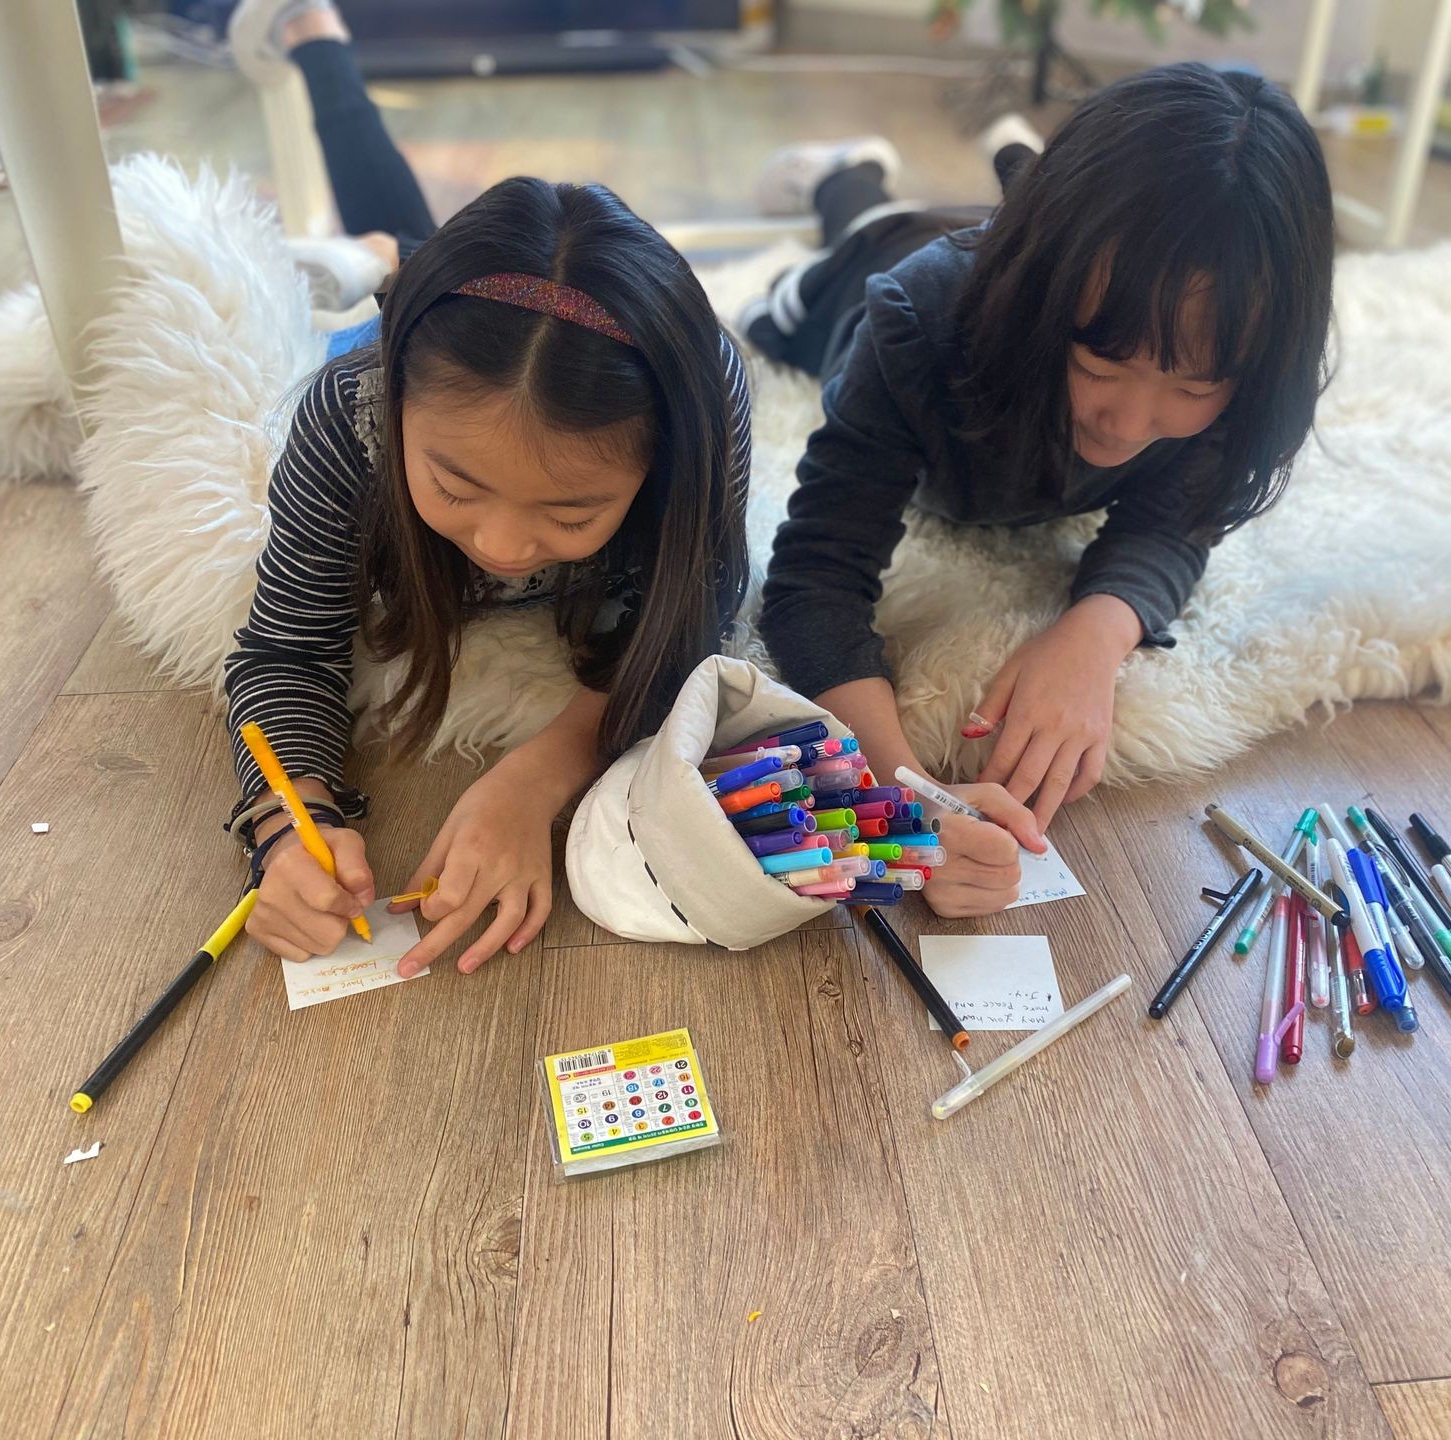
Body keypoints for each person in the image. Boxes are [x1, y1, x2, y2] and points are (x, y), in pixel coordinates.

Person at [222, 1, 750, 975]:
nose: (504, 546)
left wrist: (543, 771)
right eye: (454, 484)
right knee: (403, 249)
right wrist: (285, 820)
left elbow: (699, 616)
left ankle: (382, 229)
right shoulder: (349, 415)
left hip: (476, 318)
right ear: (398, 409)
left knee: (408, 245)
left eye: (571, 511)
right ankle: (326, 65)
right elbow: (282, 651)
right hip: (415, 324)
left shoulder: (703, 399)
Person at [746, 64, 1335, 917]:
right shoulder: (914, 317)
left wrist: (1095, 635)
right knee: (842, 253)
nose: (1134, 422)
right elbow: (812, 583)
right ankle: (847, 175)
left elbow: (1176, 525)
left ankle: (1020, 160)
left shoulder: (1240, 365)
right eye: (1102, 362)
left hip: (1041, 242)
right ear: (1047, 303)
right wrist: (909, 811)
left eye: (1193, 385)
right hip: (866, 276)